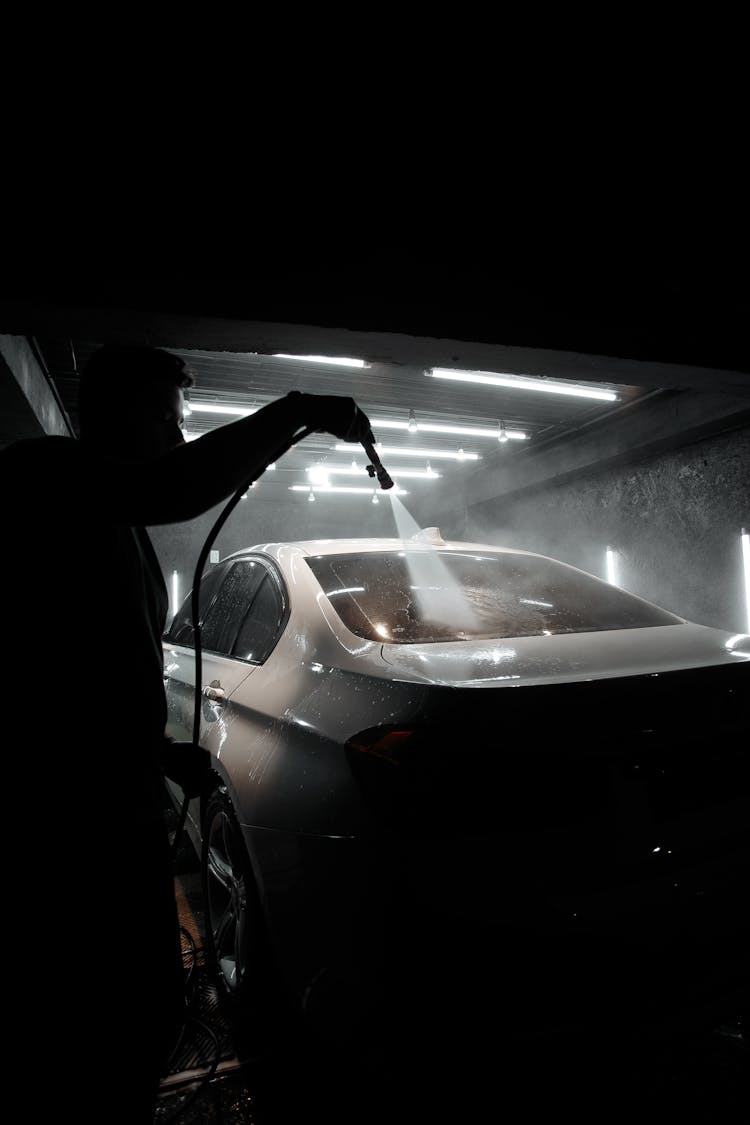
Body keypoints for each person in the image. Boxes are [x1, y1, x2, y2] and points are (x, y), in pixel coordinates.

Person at [0, 344, 374, 1123]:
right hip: (52, 821)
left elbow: (88, 664)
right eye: (164, 421)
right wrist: (300, 408)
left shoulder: (112, 517)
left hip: (112, 798)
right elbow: (172, 485)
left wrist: (159, 754)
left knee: (144, 1009)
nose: (176, 440)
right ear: (115, 413)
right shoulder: (41, 473)